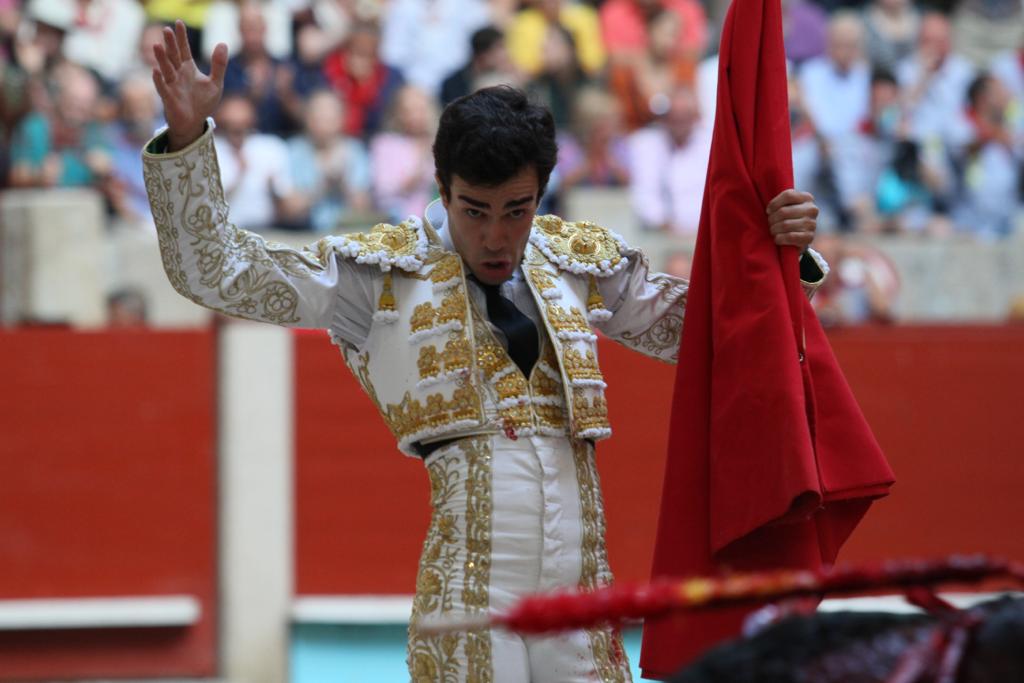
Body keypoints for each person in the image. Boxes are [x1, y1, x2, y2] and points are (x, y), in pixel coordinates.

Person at [145, 21, 826, 681]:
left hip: (581, 595)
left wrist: (781, 257)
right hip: (469, 600)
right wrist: (184, 140)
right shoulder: (380, 277)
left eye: (516, 209)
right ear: (442, 191)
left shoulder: (574, 262)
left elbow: (706, 331)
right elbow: (219, 271)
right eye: (474, 210)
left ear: (540, 197)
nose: (497, 237)